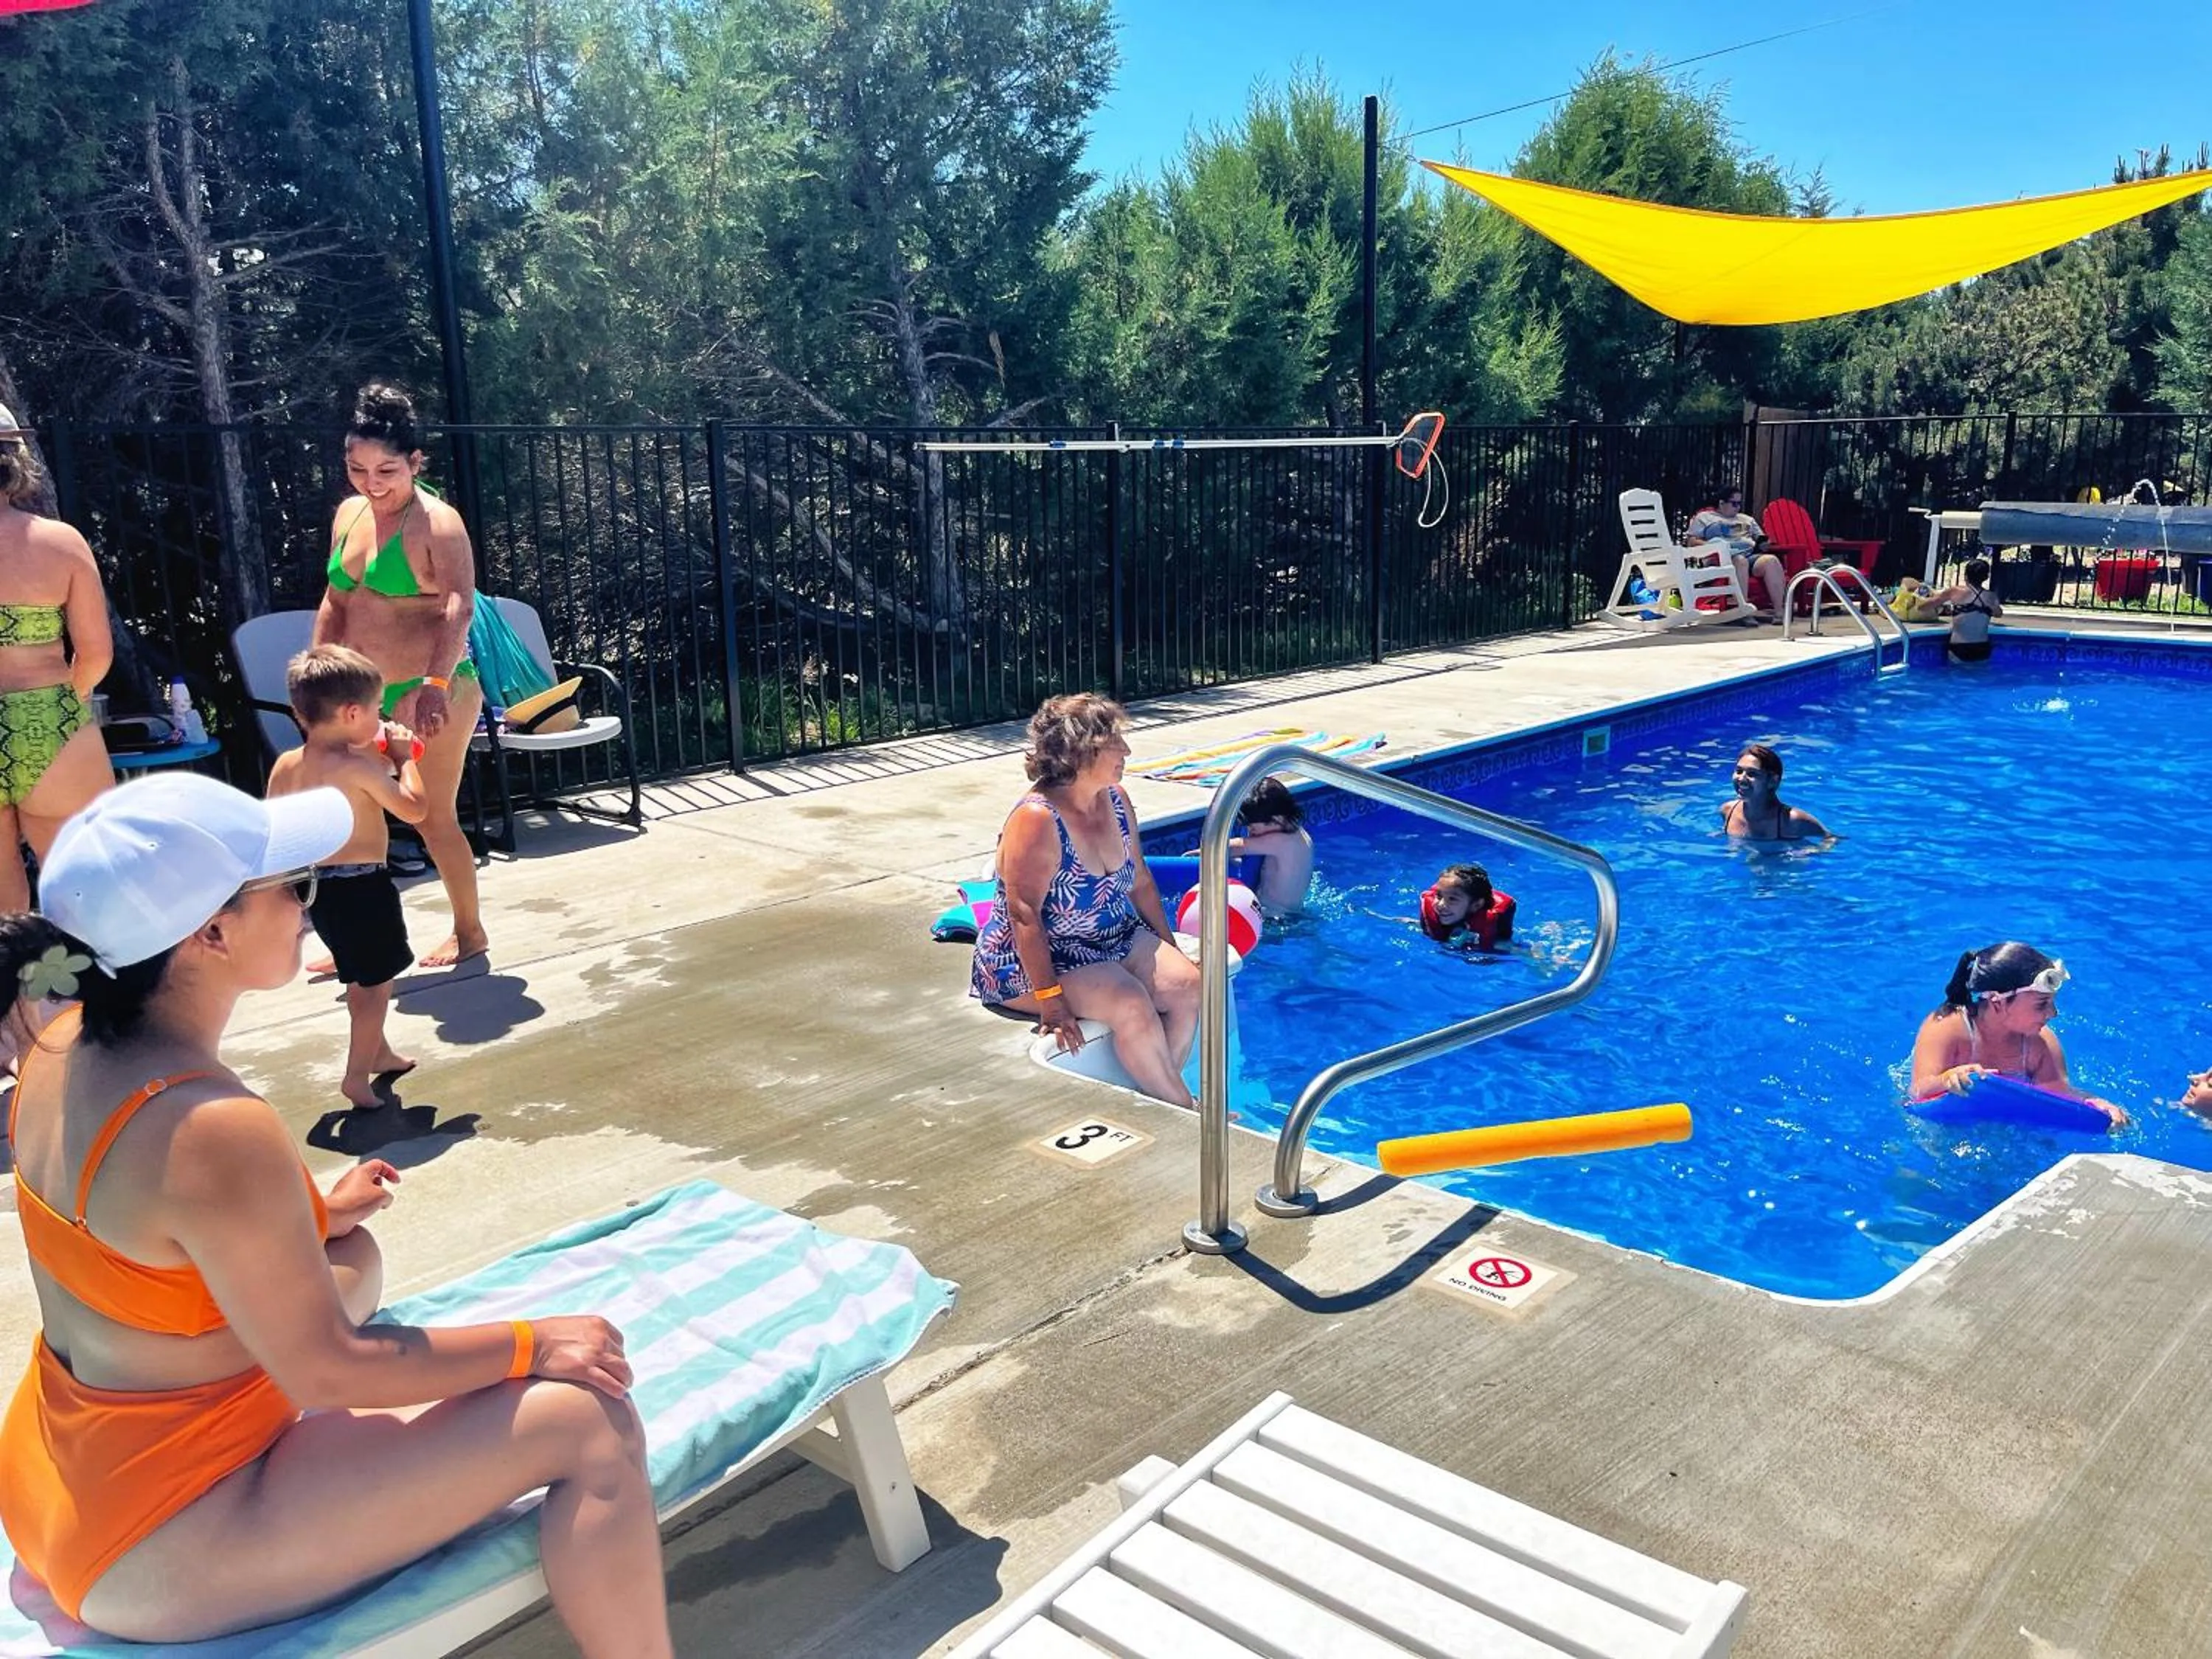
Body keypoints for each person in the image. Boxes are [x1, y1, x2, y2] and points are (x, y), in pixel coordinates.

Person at [0, 775, 667, 1650]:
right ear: (211, 932)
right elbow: (330, 1373)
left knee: (352, 1259)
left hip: (60, 1478)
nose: (307, 906)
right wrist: (534, 1343)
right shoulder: (211, 1126)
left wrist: (312, 1212)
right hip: (157, 1542)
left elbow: (142, 1222)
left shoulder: (57, 1044)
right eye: (293, 886)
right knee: (588, 1420)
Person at [313, 383, 485, 970]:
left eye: (386, 468)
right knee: (353, 818)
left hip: (430, 691)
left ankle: (470, 932)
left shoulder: (438, 523)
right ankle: (360, 939)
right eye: (357, 467)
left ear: (415, 462)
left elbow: (459, 607)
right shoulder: (349, 514)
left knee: (432, 817)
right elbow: (335, 602)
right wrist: (316, 684)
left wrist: (432, 687)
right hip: (361, 697)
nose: (371, 481)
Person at [971, 694, 1200, 1107]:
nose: (1127, 750)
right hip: (1035, 962)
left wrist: (1169, 946)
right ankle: (1189, 1113)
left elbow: (1142, 883)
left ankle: (1166, 1093)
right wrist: (1051, 1001)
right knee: (1130, 1002)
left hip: (1112, 940)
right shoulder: (1038, 819)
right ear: (1083, 749)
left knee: (1189, 985)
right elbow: (1024, 915)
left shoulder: (1115, 799)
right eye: (1116, 741)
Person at [268, 645, 428, 1109]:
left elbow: (275, 829)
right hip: (363, 888)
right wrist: (404, 759)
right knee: (373, 987)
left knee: (364, 972)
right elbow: (415, 809)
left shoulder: (286, 765)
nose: (380, 718)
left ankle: (377, 1053)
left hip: (316, 888)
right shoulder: (358, 767)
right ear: (353, 712)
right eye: (377, 710)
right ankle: (356, 1077)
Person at [0, 403, 112, 916]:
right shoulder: (59, 543)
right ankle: (113, 998)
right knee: (91, 896)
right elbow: (95, 653)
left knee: (4, 918)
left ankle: (22, 1000)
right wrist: (69, 701)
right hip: (49, 716)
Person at [1909, 942, 2125, 1126]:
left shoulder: (2040, 1043)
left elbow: (2058, 1095)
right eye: (2042, 1005)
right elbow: (1918, 1091)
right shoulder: (1947, 1027)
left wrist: (2096, 1104)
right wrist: (1947, 1080)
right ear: (1997, 1002)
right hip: (1946, 1126)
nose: (2053, 1013)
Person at [1683, 484, 1787, 616]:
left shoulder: (1747, 519)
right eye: (1734, 504)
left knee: (1771, 561)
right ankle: (1743, 612)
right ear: (1722, 503)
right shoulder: (1705, 518)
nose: (1738, 507)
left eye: (1739, 504)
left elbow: (1760, 539)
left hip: (1750, 556)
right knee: (1740, 561)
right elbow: (1691, 541)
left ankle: (1780, 611)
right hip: (1721, 558)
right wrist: (1715, 547)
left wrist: (1764, 544)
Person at [1230, 776, 1313, 913]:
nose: (1250, 833)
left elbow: (1236, 847)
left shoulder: (1281, 842)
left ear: (1276, 820)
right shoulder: (1300, 836)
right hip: (1293, 914)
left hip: (1274, 918)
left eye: (1253, 828)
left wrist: (1207, 850)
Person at [1720, 742, 1831, 842]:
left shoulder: (1791, 820)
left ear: (1772, 781)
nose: (1742, 779)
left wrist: (1808, 853)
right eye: (1739, 771)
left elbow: (1831, 839)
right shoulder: (1728, 811)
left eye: (1752, 774)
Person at [1418, 863, 1516, 950]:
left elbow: (1519, 952)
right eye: (1439, 896)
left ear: (1476, 905)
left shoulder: (1498, 942)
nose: (1440, 905)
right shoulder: (1431, 920)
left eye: (1452, 899)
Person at [1923, 556, 2002, 662]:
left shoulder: (1955, 592)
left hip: (1959, 647)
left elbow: (1925, 607)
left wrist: (1919, 598)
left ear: (1966, 576)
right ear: (1986, 577)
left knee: (1956, 677)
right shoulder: (1992, 596)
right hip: (1982, 647)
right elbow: (1998, 614)